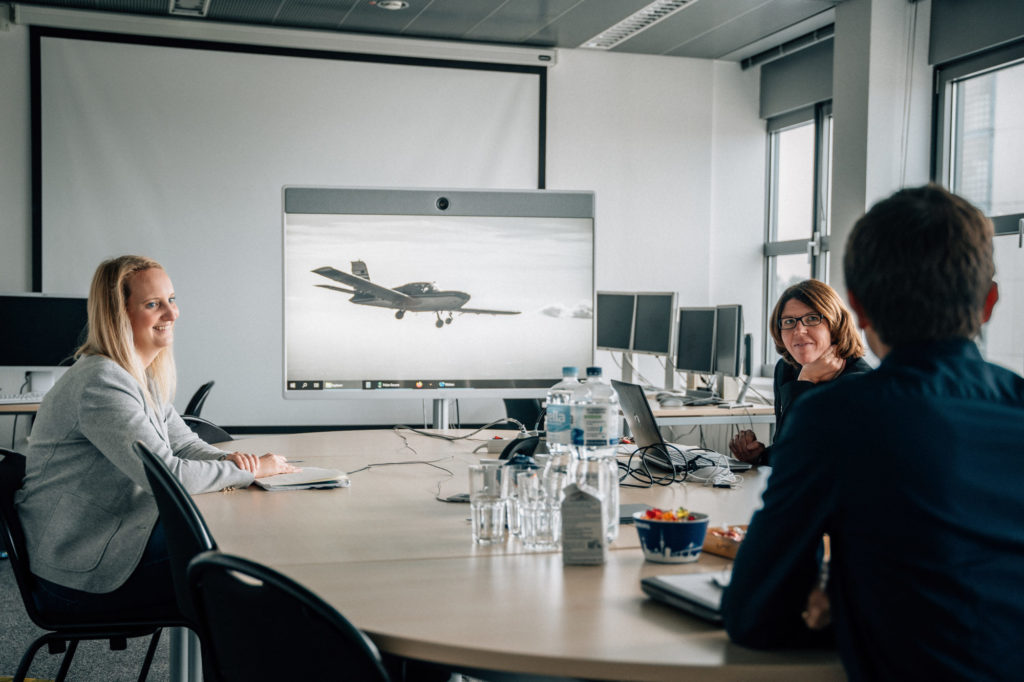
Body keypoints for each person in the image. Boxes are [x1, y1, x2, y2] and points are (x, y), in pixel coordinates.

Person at [722, 185, 1024, 680]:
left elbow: (754, 616)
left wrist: (838, 606)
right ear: (989, 302)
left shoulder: (837, 417)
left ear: (857, 311)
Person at [15, 255, 297, 618]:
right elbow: (169, 475)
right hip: (80, 568)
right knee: (241, 556)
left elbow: (184, 445)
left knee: (243, 544)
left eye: (172, 299)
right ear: (119, 314)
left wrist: (235, 463)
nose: (172, 313)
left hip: (117, 534)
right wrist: (251, 470)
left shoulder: (139, 376)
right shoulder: (101, 382)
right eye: (153, 304)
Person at [729, 279, 871, 465]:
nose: (799, 330)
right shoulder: (787, 369)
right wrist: (759, 456)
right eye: (789, 321)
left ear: (835, 325)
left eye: (812, 319)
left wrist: (806, 381)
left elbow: (799, 458)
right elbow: (786, 445)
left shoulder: (858, 383)